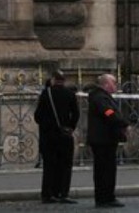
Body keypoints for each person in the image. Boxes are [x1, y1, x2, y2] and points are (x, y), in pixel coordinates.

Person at [35, 69, 80, 204]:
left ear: (53, 80)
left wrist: (46, 126)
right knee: (65, 165)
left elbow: (37, 116)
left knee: (49, 166)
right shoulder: (70, 94)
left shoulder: (46, 94)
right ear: (64, 80)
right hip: (64, 135)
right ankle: (63, 193)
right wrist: (70, 127)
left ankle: (48, 194)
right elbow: (76, 114)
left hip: (48, 136)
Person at [87, 73, 130, 208]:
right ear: (106, 84)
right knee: (104, 170)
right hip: (102, 139)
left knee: (108, 169)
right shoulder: (100, 97)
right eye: (114, 83)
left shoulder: (103, 96)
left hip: (106, 139)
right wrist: (123, 123)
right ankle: (104, 198)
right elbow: (108, 113)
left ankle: (107, 196)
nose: (116, 85)